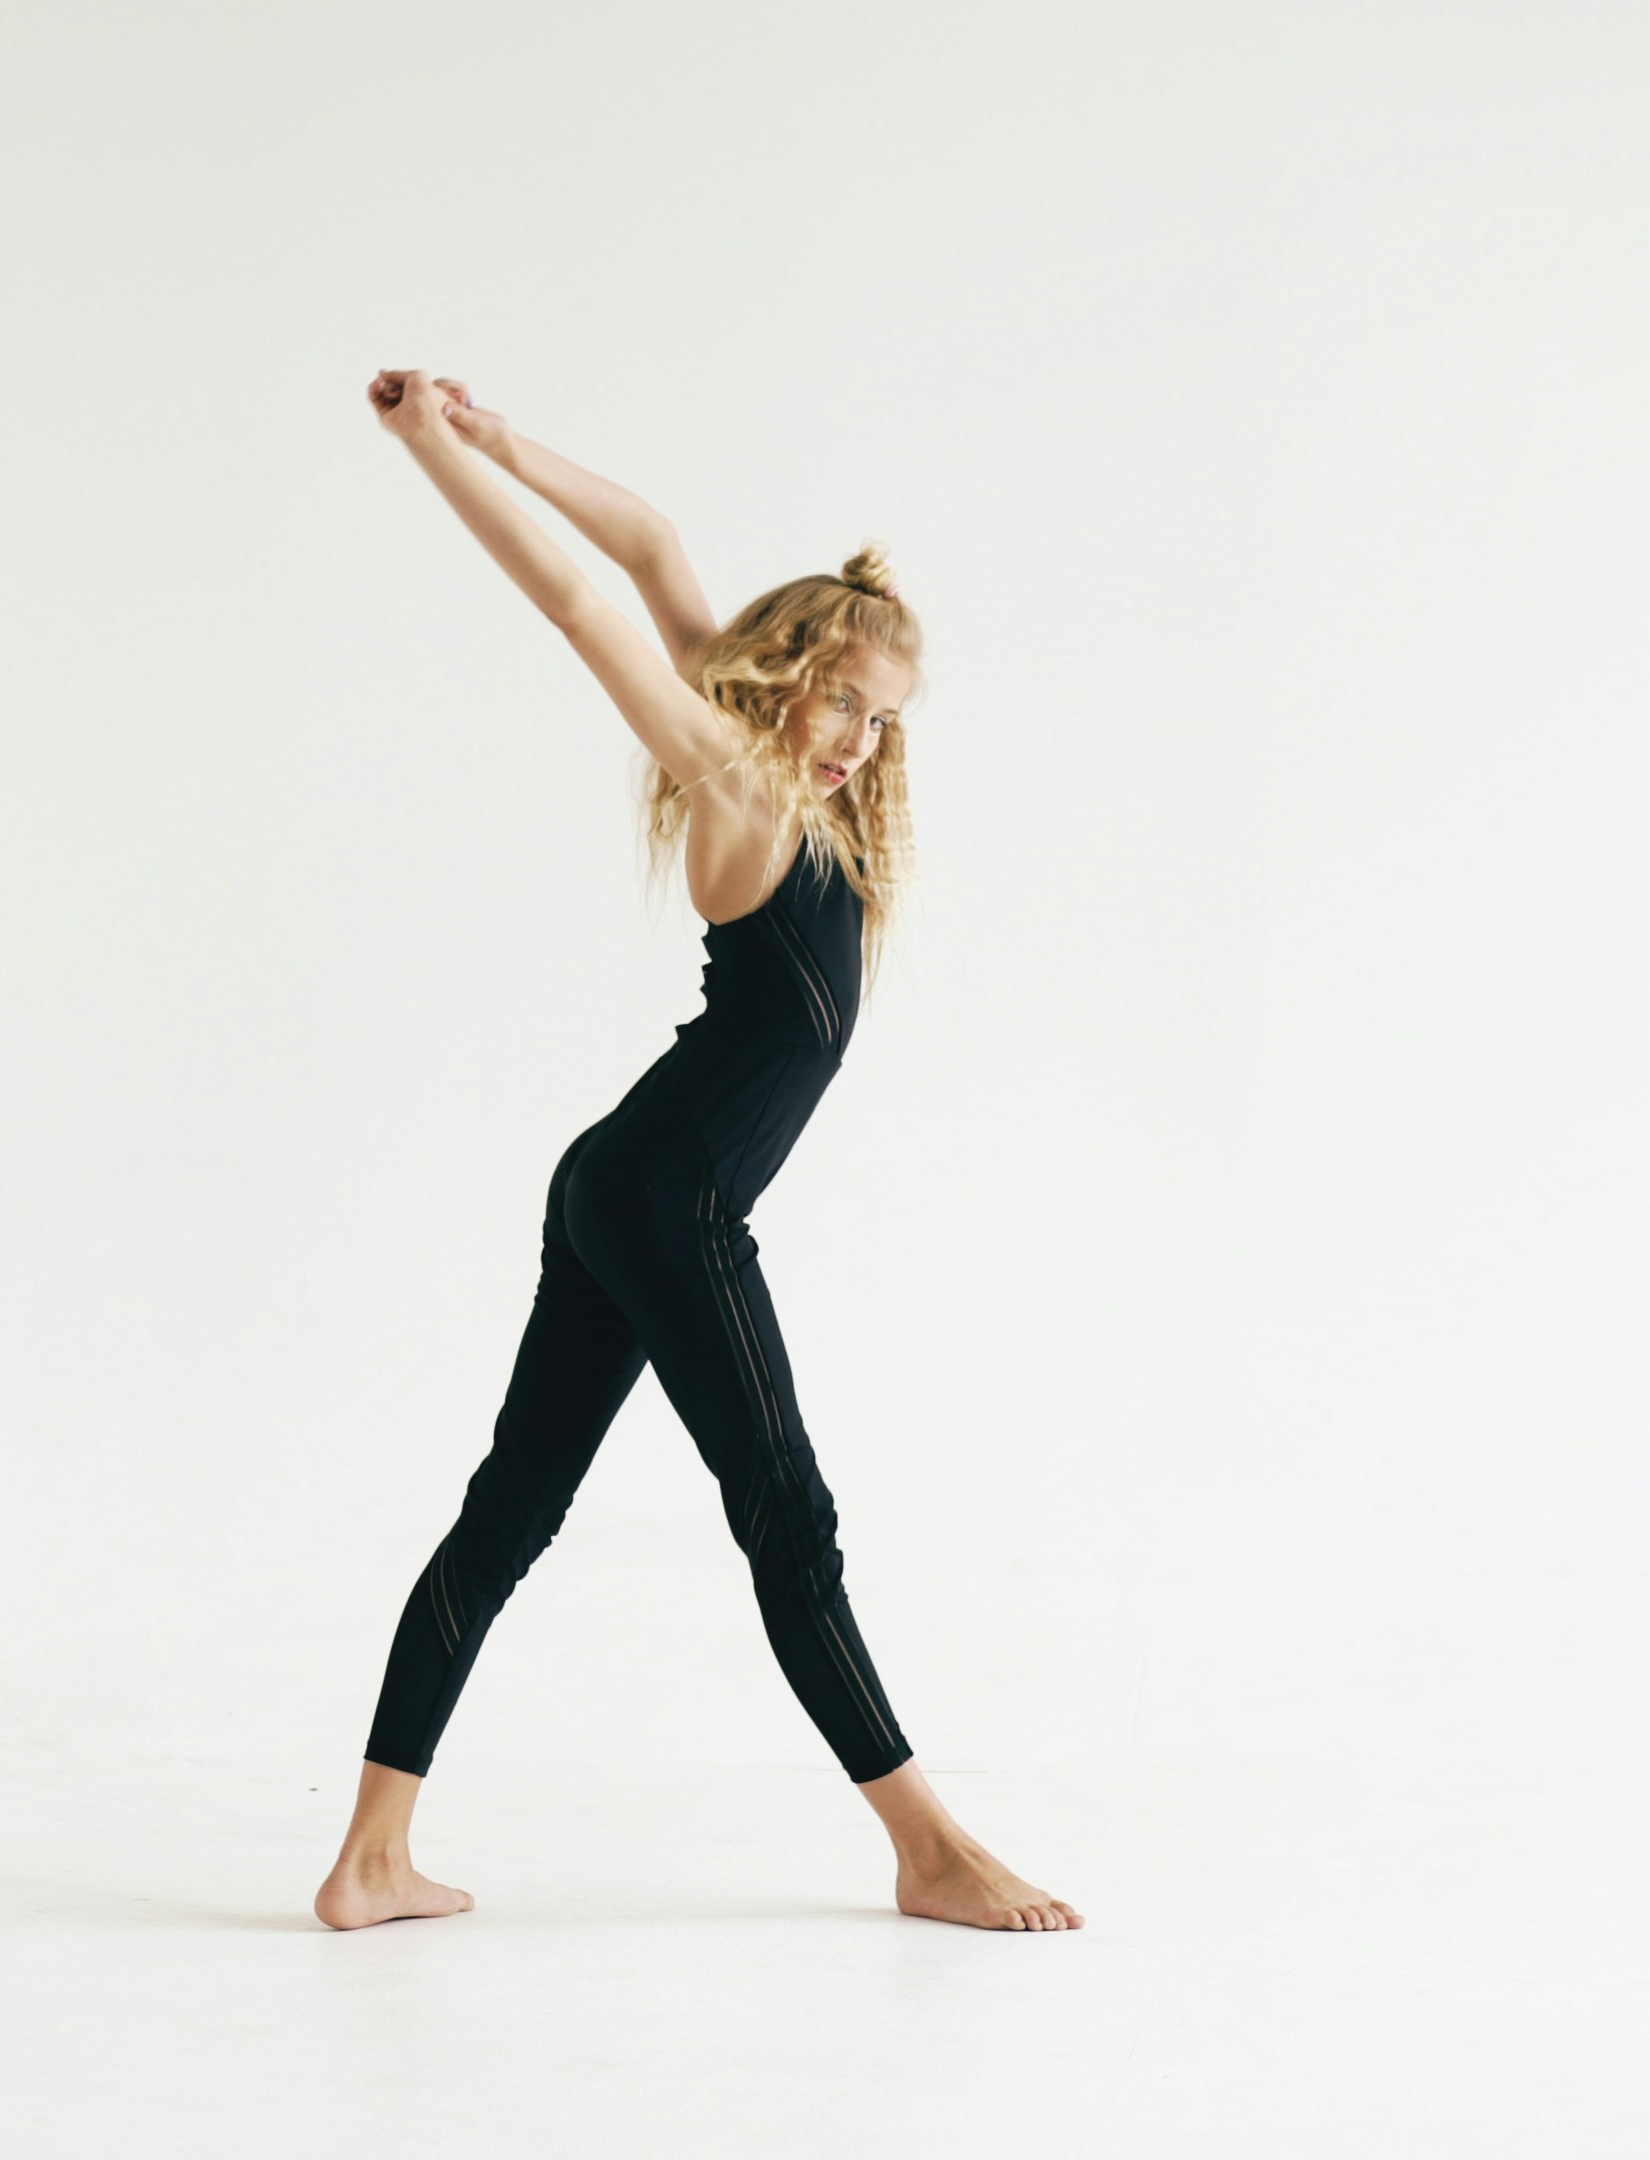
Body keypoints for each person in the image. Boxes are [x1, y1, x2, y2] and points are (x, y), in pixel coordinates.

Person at [314, 369, 1080, 1934]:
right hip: (668, 1201)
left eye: (886, 717)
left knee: (513, 1510)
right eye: (846, 700)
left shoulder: (814, 791)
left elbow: (656, 545)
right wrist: (427, 448)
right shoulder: (736, 777)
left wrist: (506, 433)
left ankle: (374, 1856)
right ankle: (925, 1845)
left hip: (621, 1183)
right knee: (784, 1513)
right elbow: (589, 600)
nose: (863, 740)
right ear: (786, 674)